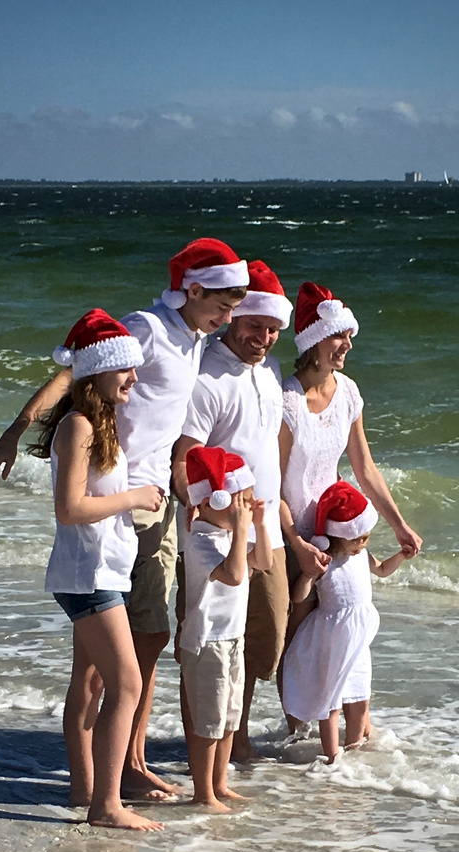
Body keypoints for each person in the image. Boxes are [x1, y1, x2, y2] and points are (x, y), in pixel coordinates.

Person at [0, 238, 249, 798]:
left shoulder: (197, 339)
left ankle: (117, 767)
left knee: (136, 643)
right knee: (128, 650)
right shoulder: (146, 329)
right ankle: (117, 771)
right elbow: (74, 369)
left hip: (146, 510)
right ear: (194, 290)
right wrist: (13, 433)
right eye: (225, 304)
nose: (231, 316)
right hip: (117, 507)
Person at [29, 310, 164, 830]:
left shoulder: (97, 421)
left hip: (98, 570)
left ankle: (84, 789)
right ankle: (107, 806)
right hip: (89, 576)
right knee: (126, 684)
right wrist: (134, 497)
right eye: (125, 370)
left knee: (88, 682)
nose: (134, 378)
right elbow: (70, 509)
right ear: (97, 371)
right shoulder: (80, 425)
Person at [279, 281, 422, 731]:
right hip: (293, 535)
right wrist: (297, 544)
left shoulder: (349, 392)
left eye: (349, 337)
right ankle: (297, 734)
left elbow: (364, 467)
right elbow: (274, 485)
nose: (347, 345)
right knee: (296, 640)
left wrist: (399, 525)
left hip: (340, 533)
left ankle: (353, 727)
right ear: (313, 342)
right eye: (339, 337)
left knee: (346, 627)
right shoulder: (287, 401)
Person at [172, 260, 293, 761]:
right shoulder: (206, 379)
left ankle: (229, 739)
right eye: (255, 326)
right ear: (234, 320)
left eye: (272, 330)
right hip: (219, 537)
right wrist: (209, 514)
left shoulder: (270, 370)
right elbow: (183, 460)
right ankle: (215, 749)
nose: (262, 338)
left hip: (266, 532)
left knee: (264, 642)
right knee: (208, 646)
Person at [281, 481, 413, 764]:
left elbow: (382, 570)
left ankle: (354, 750)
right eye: (357, 540)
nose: (362, 545)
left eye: (365, 539)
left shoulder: (362, 555)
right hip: (334, 636)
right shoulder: (326, 560)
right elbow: (299, 596)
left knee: (360, 697)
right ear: (339, 536)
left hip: (359, 637)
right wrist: (306, 574)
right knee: (332, 701)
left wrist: (401, 555)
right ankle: (333, 758)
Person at [180, 446, 272, 811]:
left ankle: (220, 783)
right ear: (213, 499)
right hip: (207, 643)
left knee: (230, 716)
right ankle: (202, 792)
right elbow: (235, 575)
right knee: (209, 721)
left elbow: (262, 561)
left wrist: (260, 526)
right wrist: (241, 531)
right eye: (239, 501)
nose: (245, 508)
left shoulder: (229, 537)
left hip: (232, 639)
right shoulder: (201, 542)